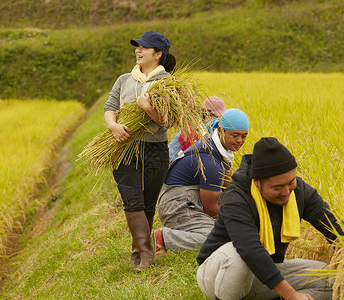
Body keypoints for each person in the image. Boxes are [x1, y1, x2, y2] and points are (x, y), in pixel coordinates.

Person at [196, 137, 344, 300]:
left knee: (334, 280)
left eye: (291, 182)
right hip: (219, 275)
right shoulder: (236, 199)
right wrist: (291, 294)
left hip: (265, 271)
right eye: (277, 187)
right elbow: (250, 250)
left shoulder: (298, 191)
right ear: (257, 183)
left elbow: (332, 225)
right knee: (237, 256)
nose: (286, 192)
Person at [103, 31, 176, 272]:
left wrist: (148, 108)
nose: (138, 50)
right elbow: (110, 108)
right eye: (137, 46)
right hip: (124, 148)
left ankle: (138, 253)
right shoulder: (124, 79)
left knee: (146, 204)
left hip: (155, 148)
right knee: (131, 200)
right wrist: (113, 126)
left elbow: (167, 121)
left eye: (145, 47)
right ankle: (147, 256)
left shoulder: (168, 83)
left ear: (158, 54)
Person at [153, 108, 249, 253]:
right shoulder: (210, 162)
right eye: (235, 135)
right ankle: (165, 237)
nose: (239, 140)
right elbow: (210, 209)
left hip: (187, 200)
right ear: (221, 130)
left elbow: (229, 185)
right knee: (221, 238)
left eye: (244, 136)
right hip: (176, 207)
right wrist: (238, 221)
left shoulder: (218, 149)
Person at [168, 96, 226, 163]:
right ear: (206, 115)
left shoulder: (208, 130)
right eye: (216, 117)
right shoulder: (192, 131)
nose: (219, 122)